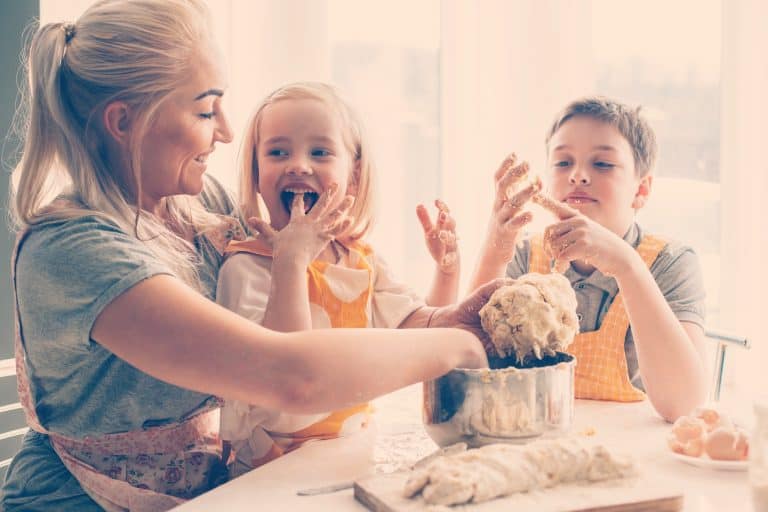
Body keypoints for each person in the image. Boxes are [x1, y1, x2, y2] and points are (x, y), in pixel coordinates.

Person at [1, 2, 495, 510]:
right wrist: (459, 343)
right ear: (124, 121)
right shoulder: (72, 251)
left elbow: (310, 287)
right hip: (77, 499)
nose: (228, 131)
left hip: (200, 489)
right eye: (204, 109)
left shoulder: (195, 203)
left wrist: (446, 312)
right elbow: (288, 375)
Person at [214, 82, 461, 475]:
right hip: (270, 468)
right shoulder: (245, 266)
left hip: (349, 453)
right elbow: (283, 377)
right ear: (257, 172)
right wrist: (291, 263)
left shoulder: (361, 260)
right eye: (278, 152)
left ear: (354, 172)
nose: (297, 164)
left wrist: (447, 273)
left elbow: (417, 330)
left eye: (319, 152)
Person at [470, 97, 708, 422]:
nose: (578, 176)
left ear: (642, 190)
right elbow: (469, 364)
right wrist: (495, 249)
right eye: (563, 163)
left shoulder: (670, 262)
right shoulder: (525, 255)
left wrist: (627, 265)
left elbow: (684, 406)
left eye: (602, 164)